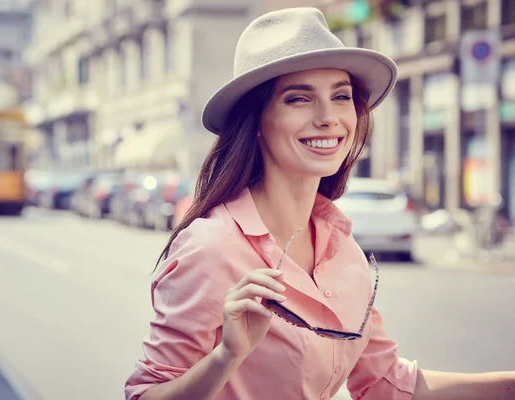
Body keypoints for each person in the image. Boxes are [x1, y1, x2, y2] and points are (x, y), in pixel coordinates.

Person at [125, 7, 515, 400]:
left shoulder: (344, 250)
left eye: (341, 96)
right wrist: (226, 357)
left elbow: (384, 383)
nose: (329, 117)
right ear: (256, 120)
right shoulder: (211, 246)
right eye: (299, 99)